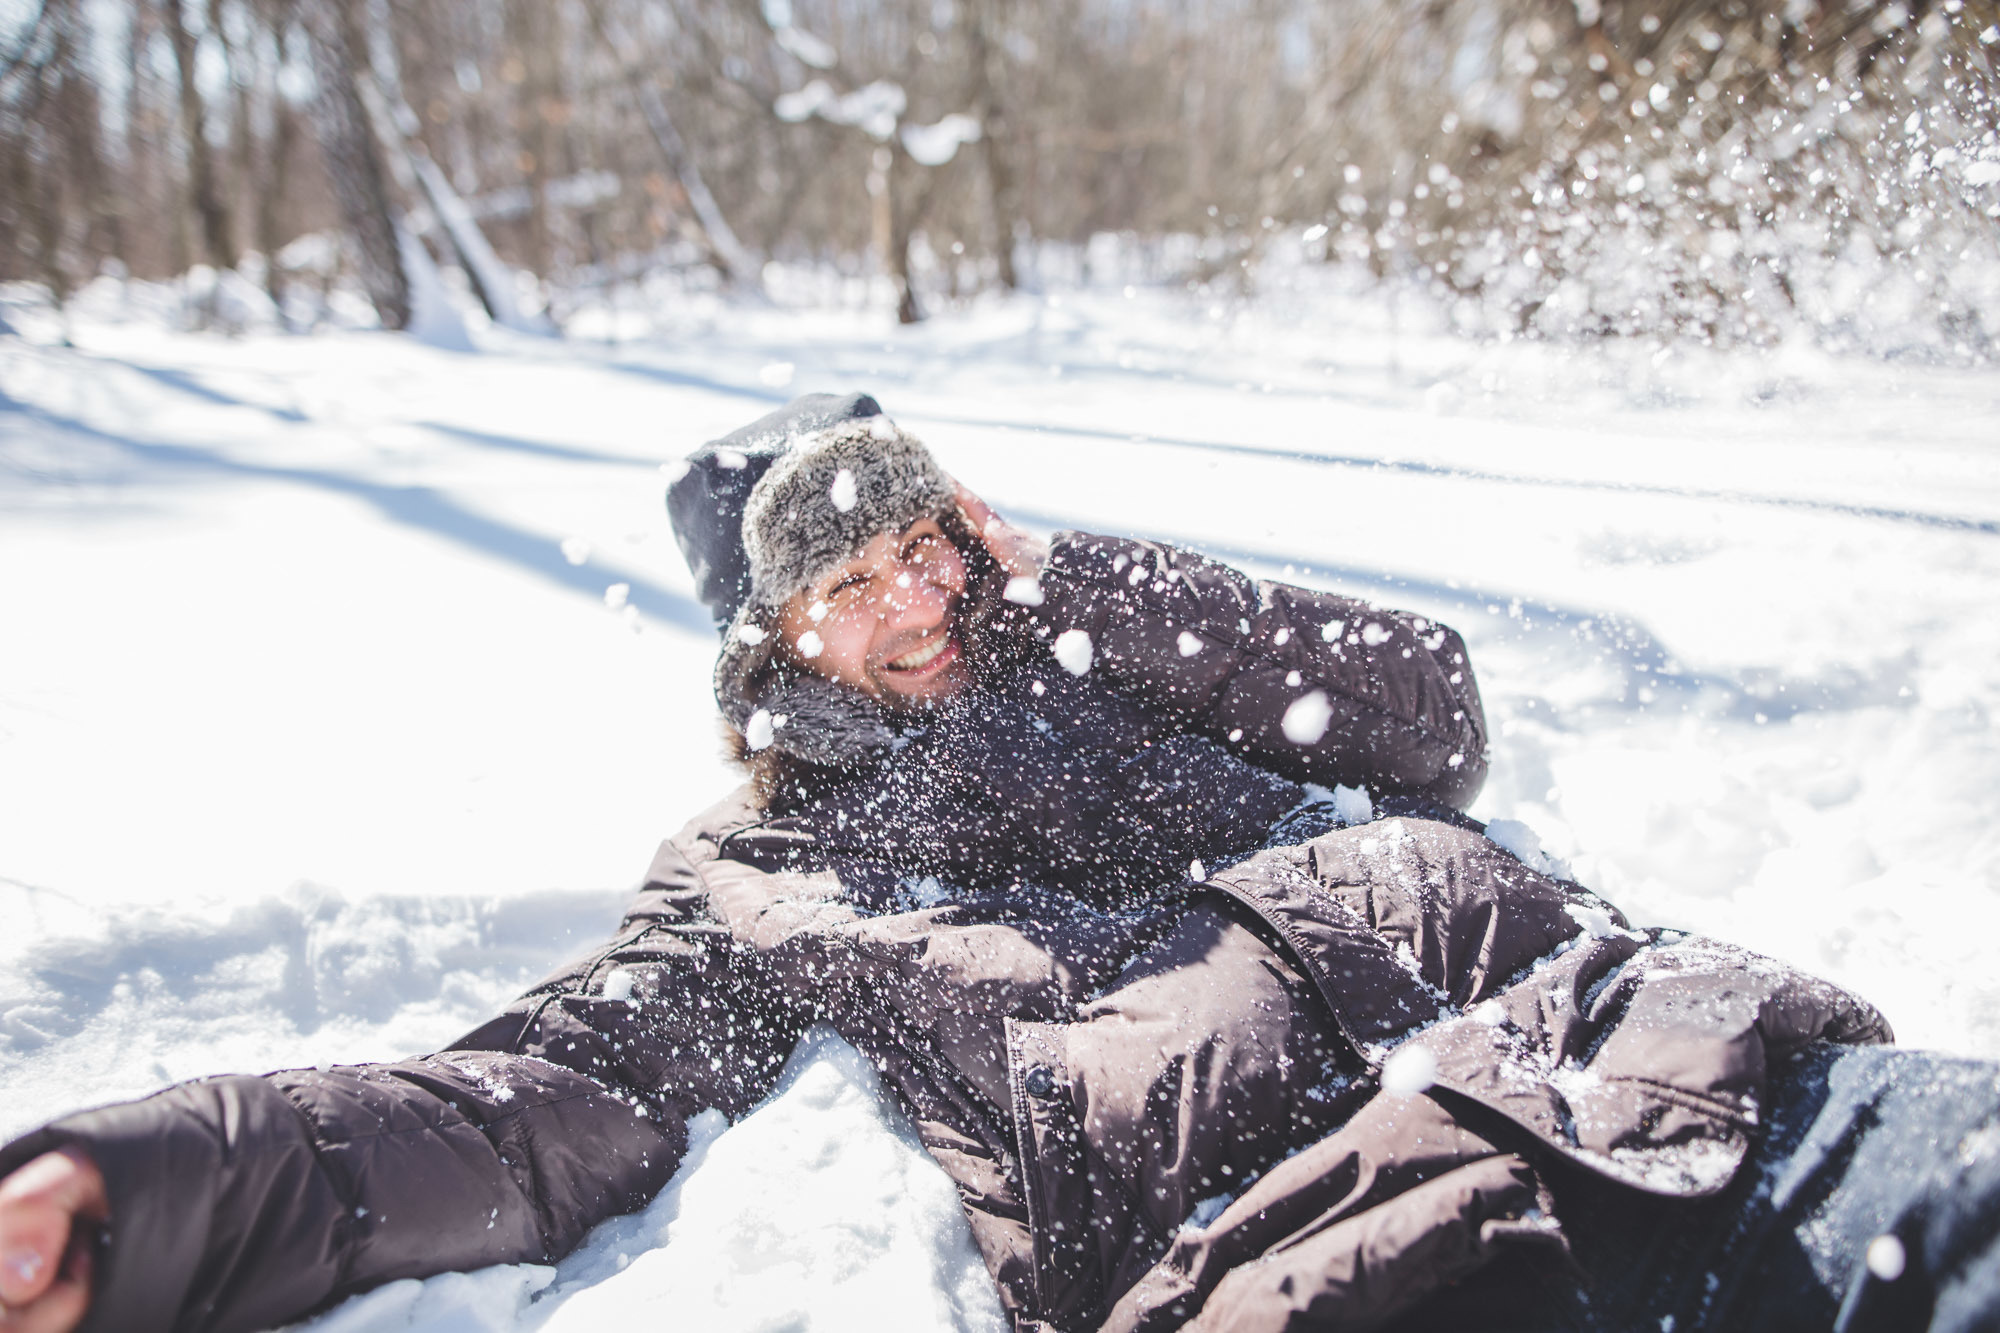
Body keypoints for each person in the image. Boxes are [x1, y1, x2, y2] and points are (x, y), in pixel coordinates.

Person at [0, 392, 1994, 1333]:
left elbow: (1423, 716)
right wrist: (147, 1186)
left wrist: (1080, 583)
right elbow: (529, 1105)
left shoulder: (1105, 657)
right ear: (773, 638)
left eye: (928, 550)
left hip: (1644, 1053)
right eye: (850, 584)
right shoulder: (753, 877)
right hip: (1356, 1238)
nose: (915, 604)